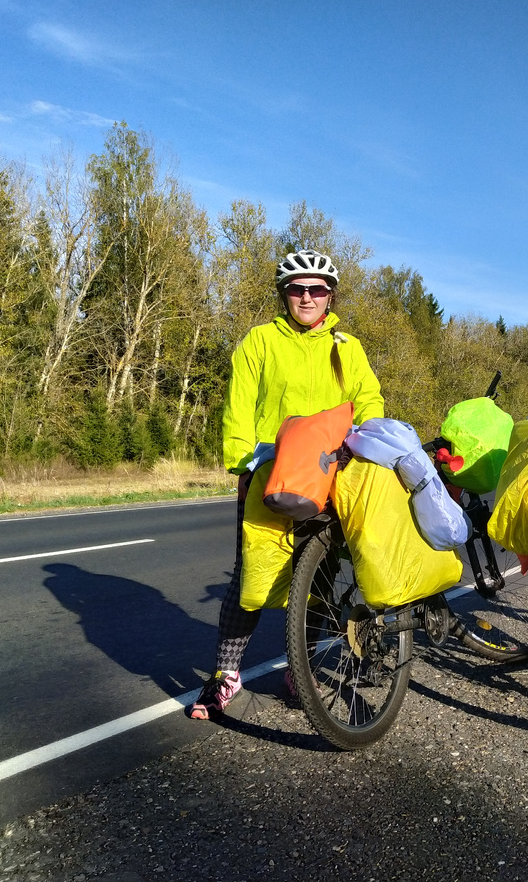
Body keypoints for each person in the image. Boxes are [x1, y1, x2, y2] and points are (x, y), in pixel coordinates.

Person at [189, 249, 384, 719]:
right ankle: (224, 677)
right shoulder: (259, 341)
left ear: (330, 295)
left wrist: (369, 448)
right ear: (285, 294)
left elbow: (369, 400)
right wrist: (241, 464)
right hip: (270, 474)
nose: (307, 296)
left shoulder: (346, 347)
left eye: (317, 289)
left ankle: (301, 670)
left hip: (329, 476)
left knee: (318, 575)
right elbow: (238, 406)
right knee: (250, 578)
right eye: (297, 288)